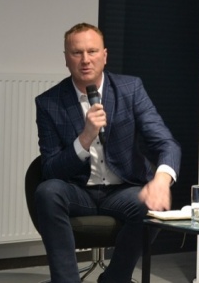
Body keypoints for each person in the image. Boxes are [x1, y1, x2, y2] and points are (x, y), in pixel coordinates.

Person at [34, 22, 182, 283]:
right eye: (77, 53)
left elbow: (166, 143)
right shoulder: (49, 102)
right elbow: (50, 169)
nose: (85, 60)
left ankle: (115, 278)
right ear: (66, 59)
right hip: (77, 190)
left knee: (150, 204)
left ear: (104, 56)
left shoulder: (130, 89)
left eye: (92, 51)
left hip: (122, 189)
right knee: (47, 192)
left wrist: (161, 179)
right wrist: (85, 138)